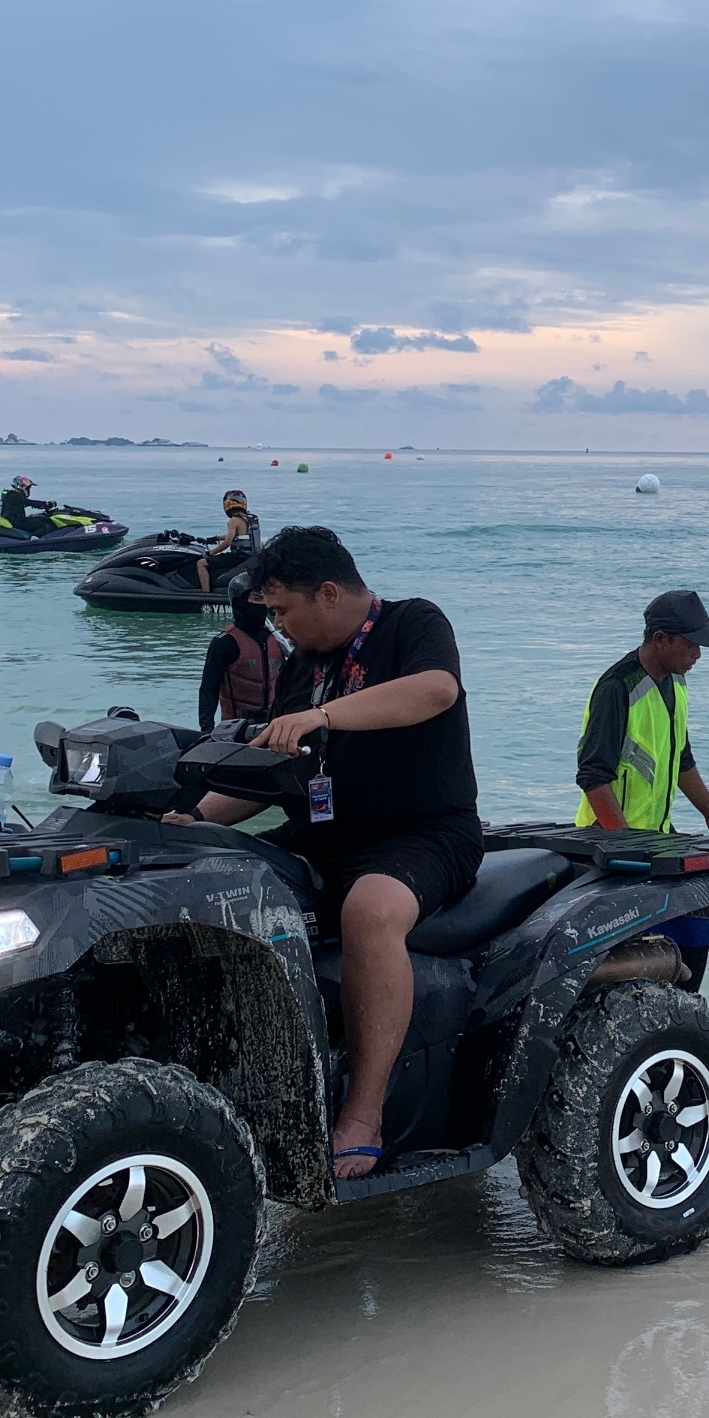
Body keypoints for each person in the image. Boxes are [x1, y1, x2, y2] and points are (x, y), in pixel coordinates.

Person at [178, 526, 480, 1181]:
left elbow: (435, 691)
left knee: (370, 911)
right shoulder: (301, 665)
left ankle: (364, 1114)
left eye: (283, 610)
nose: (277, 627)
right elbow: (266, 776)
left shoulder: (412, 623)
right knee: (205, 877)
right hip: (321, 835)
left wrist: (325, 716)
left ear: (328, 593)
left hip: (425, 835)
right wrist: (191, 820)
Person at [576, 590, 709, 991]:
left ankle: (686, 1010)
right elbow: (593, 777)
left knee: (699, 924)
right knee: (637, 950)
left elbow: (681, 759)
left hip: (658, 837)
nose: (698, 654)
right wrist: (626, 846)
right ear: (660, 639)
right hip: (608, 843)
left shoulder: (675, 682)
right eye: (691, 644)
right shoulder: (617, 687)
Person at [197, 573, 285, 732]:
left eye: (265, 599)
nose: (262, 605)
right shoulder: (224, 642)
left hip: (272, 728)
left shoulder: (278, 641)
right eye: (257, 598)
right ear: (239, 603)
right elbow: (209, 690)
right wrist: (207, 730)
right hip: (235, 730)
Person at [196, 488, 261, 591]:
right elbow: (239, 535)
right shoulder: (250, 519)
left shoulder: (234, 520)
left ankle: (206, 593)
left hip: (238, 556)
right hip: (250, 555)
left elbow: (227, 542)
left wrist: (211, 552)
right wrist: (216, 538)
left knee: (201, 563)